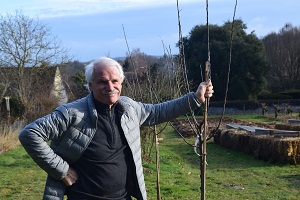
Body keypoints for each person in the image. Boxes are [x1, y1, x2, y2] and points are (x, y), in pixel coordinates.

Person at [19, 57, 214, 200]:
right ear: (91, 85)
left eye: (114, 81)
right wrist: (62, 170)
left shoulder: (129, 108)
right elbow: (30, 134)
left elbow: (157, 112)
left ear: (121, 83)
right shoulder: (72, 113)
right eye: (102, 82)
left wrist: (195, 98)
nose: (110, 87)